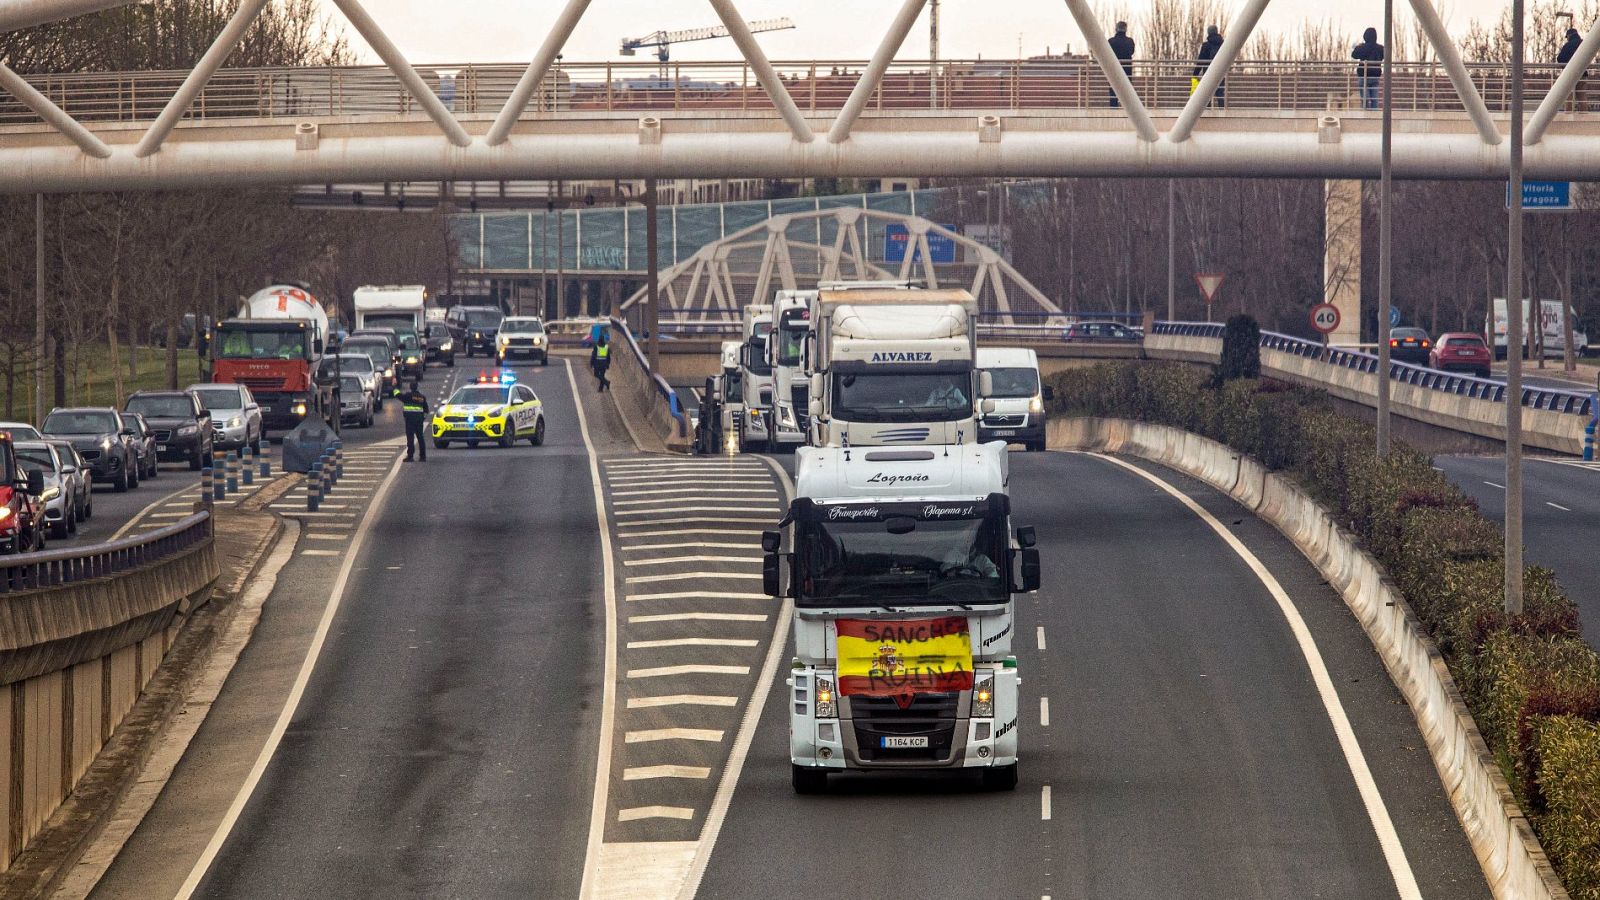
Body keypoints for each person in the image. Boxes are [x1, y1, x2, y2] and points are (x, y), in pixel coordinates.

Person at [396, 379, 430, 461]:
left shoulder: (408, 396)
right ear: (417, 387)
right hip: (419, 420)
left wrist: (394, 387)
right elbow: (426, 410)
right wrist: (422, 418)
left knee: (410, 439)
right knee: (420, 438)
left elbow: (398, 395)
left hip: (410, 420)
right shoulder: (422, 397)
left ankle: (410, 456)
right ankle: (423, 457)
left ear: (410, 387)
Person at [1352, 27, 1384, 110]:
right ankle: (1374, 116)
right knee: (1374, 100)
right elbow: (1385, 56)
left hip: (1364, 76)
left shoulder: (1363, 47)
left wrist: (1358, 46)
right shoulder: (1380, 48)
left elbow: (1354, 55)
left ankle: (1366, 114)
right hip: (1375, 76)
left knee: (1365, 100)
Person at [1193, 25, 1225, 108]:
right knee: (1220, 92)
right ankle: (1222, 110)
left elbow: (1201, 60)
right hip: (1220, 72)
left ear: (1208, 32)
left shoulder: (1206, 45)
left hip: (1208, 72)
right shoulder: (1224, 44)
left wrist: (1195, 73)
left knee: (1207, 93)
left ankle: (1208, 110)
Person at [1108, 22, 1135, 108]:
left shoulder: (1111, 41)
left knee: (1113, 89)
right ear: (1126, 29)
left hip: (1113, 69)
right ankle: (1128, 108)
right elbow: (1131, 51)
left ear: (1116, 29)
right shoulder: (1130, 41)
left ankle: (1113, 107)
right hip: (1127, 70)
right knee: (1127, 91)